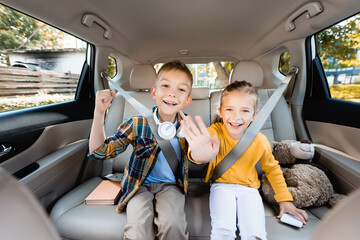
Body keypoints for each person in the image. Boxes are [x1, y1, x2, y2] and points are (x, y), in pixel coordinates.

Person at [180, 80, 308, 240]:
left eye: (245, 110)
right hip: (221, 186)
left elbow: (273, 169)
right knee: (223, 230)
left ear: (255, 114)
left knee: (255, 233)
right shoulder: (214, 133)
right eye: (229, 109)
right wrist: (195, 155)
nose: (236, 117)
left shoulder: (260, 141)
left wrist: (284, 200)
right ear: (220, 111)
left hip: (250, 190)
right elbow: (198, 150)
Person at [88, 60, 193, 240]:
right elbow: (100, 151)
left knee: (173, 224)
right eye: (165, 85)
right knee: (138, 231)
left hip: (171, 186)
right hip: (138, 185)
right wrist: (99, 113)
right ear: (154, 92)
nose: (172, 93)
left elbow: (201, 157)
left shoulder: (189, 126)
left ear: (187, 100)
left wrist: (201, 144)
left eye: (181, 89)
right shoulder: (137, 123)